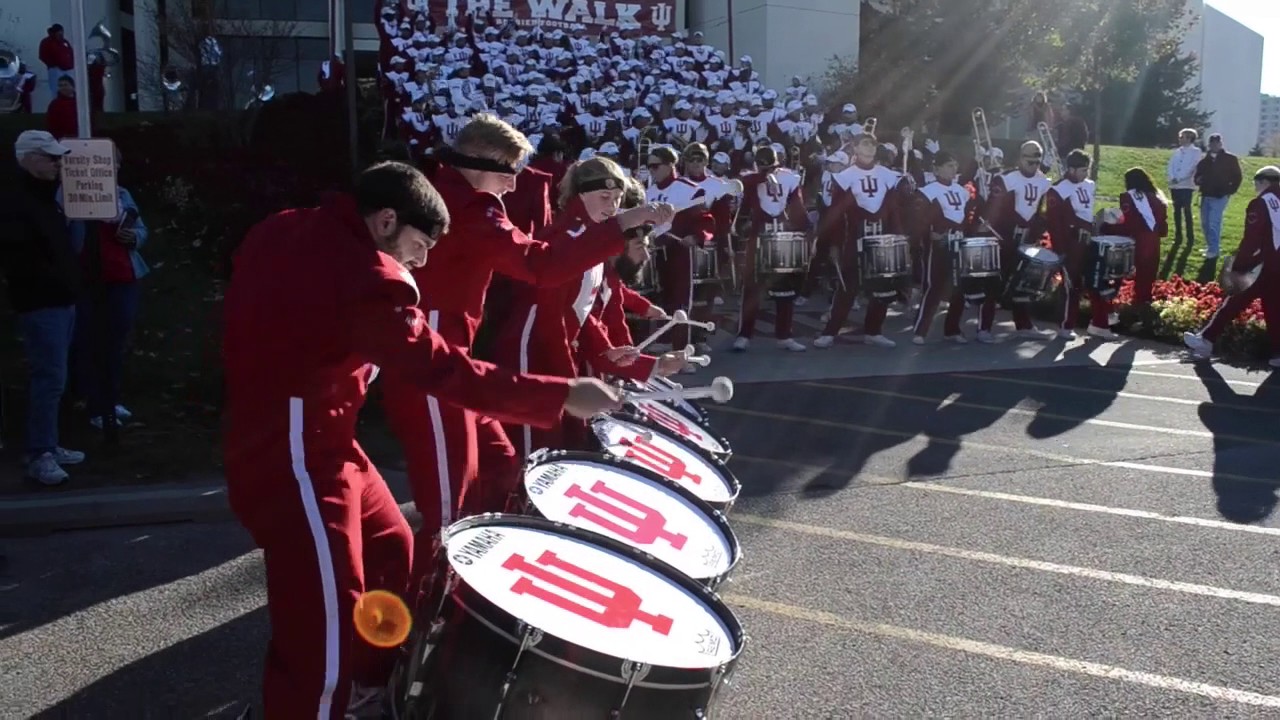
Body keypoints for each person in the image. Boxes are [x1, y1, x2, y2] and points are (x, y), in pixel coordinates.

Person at [221, 160, 625, 718]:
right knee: (323, 627)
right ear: (386, 220)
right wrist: (560, 394)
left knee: (392, 544)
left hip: (323, 435)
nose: (423, 261)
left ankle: (368, 680)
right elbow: (443, 371)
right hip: (295, 447)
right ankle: (319, 701)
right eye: (419, 245)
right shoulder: (368, 278)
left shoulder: (288, 226)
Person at [377, 114, 674, 589]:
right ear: (484, 161)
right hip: (433, 354)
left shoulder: (457, 196)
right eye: (510, 171)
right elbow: (541, 266)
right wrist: (624, 224)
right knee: (450, 504)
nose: (515, 183)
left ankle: (467, 586)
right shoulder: (471, 207)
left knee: (500, 464)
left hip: (454, 353)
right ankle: (429, 605)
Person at [493, 158, 686, 457]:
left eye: (617, 198)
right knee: (537, 451)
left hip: (553, 349)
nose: (612, 205)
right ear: (581, 194)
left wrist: (609, 352)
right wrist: (570, 380)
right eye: (604, 197)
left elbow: (581, 313)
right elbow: (549, 319)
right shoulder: (569, 237)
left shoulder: (591, 239)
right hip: (530, 352)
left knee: (566, 443)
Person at [0, 131, 83, 486]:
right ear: (29, 158)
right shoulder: (16, 202)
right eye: (50, 157)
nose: (57, 163)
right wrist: (56, 281)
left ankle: (47, 443)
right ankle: (40, 453)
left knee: (55, 377)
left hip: (59, 297)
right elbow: (22, 259)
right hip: (40, 300)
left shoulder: (44, 198)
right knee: (49, 377)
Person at [65, 147, 149, 429]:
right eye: (107, 163)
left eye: (116, 164)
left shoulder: (122, 195)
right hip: (87, 278)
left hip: (123, 276)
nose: (112, 169)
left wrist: (132, 238)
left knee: (115, 339)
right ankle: (91, 403)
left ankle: (110, 400)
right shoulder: (73, 195)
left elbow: (142, 230)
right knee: (88, 339)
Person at [813, 133, 909, 349]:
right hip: (854, 239)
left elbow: (894, 210)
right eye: (865, 143)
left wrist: (898, 235)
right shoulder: (844, 177)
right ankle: (830, 332)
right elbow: (837, 215)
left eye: (873, 143)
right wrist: (835, 244)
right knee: (848, 288)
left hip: (881, 237)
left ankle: (874, 331)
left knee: (882, 287)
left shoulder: (887, 175)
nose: (870, 147)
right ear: (855, 148)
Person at [1183, 166, 1280, 367]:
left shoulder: (1260, 203)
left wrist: (1239, 265)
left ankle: (1206, 340)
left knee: (1234, 301)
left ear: (1264, 182)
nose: (1255, 187)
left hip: (1263, 265)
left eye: (1256, 182)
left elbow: (1252, 239)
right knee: (1274, 309)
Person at [733, 145, 812, 352]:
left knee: (786, 287)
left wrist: (805, 229)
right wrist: (762, 176)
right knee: (752, 288)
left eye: (771, 167)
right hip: (758, 236)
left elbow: (797, 206)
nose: (768, 170)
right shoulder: (750, 179)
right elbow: (743, 191)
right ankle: (744, 334)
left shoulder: (789, 178)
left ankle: (784, 335)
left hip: (782, 234)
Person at [645, 145, 718, 351]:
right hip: (656, 252)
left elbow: (706, 220)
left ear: (670, 165)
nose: (651, 171)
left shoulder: (688, 189)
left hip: (680, 252)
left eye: (655, 166)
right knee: (661, 298)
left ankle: (681, 349)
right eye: (649, 166)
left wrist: (696, 236)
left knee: (681, 301)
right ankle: (665, 339)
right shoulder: (649, 192)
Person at [979, 140, 1052, 341]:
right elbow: (993, 209)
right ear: (1020, 158)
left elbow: (1042, 211)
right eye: (1030, 161)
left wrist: (1037, 231)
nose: (1034, 165)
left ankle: (1024, 325)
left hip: (1028, 237)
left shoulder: (1043, 181)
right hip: (1004, 236)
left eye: (1037, 161)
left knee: (1024, 283)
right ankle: (984, 328)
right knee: (995, 282)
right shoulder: (1005, 179)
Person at [911, 152, 979, 344]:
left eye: (955, 165)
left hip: (958, 242)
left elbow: (967, 216)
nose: (953, 169)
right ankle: (921, 331)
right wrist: (929, 234)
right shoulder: (927, 191)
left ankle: (952, 329)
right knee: (934, 287)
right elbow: (918, 219)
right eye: (949, 165)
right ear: (937, 169)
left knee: (959, 288)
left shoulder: (962, 191)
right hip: (938, 245)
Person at [1046, 150, 1114, 340]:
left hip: (1089, 240)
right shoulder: (1058, 190)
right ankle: (1066, 325)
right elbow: (1054, 224)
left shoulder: (1089, 185)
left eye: (1087, 169)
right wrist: (1061, 250)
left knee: (1096, 280)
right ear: (1071, 169)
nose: (1086, 173)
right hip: (1071, 243)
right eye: (1083, 170)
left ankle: (1100, 324)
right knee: (1072, 285)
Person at [1100, 167, 1169, 308]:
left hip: (1139, 240)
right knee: (1147, 275)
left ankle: (1119, 304)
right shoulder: (1157, 197)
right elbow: (1163, 225)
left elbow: (1128, 223)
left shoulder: (1129, 197)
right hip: (1154, 240)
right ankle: (1144, 304)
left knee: (1120, 270)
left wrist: (1106, 228)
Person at [1193, 133, 1243, 260]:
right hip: (1206, 195)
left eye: (1217, 143)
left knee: (1213, 222)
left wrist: (1230, 191)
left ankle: (1214, 250)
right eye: (1212, 143)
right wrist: (1198, 180)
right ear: (1209, 145)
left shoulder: (1230, 159)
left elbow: (1237, 177)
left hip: (1220, 196)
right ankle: (1210, 246)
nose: (1214, 145)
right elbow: (1197, 177)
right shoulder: (1204, 161)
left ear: (1221, 144)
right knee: (1205, 223)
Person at [1166, 128, 1202, 245]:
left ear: (1189, 138)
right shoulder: (1177, 151)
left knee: (1187, 210)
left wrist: (1179, 178)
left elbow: (1192, 167)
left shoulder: (1196, 152)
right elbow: (1170, 165)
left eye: (1182, 137)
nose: (1180, 139)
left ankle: (1190, 236)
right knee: (1176, 211)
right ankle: (1178, 235)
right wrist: (1172, 177)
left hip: (1186, 185)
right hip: (1175, 186)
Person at [37, 25, 74, 94]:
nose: (61, 34)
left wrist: (71, 64)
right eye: (59, 33)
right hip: (55, 70)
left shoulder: (64, 41)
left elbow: (71, 53)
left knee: (70, 89)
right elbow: (42, 56)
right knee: (56, 89)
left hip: (68, 69)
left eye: (62, 32)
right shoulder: (46, 42)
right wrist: (53, 65)